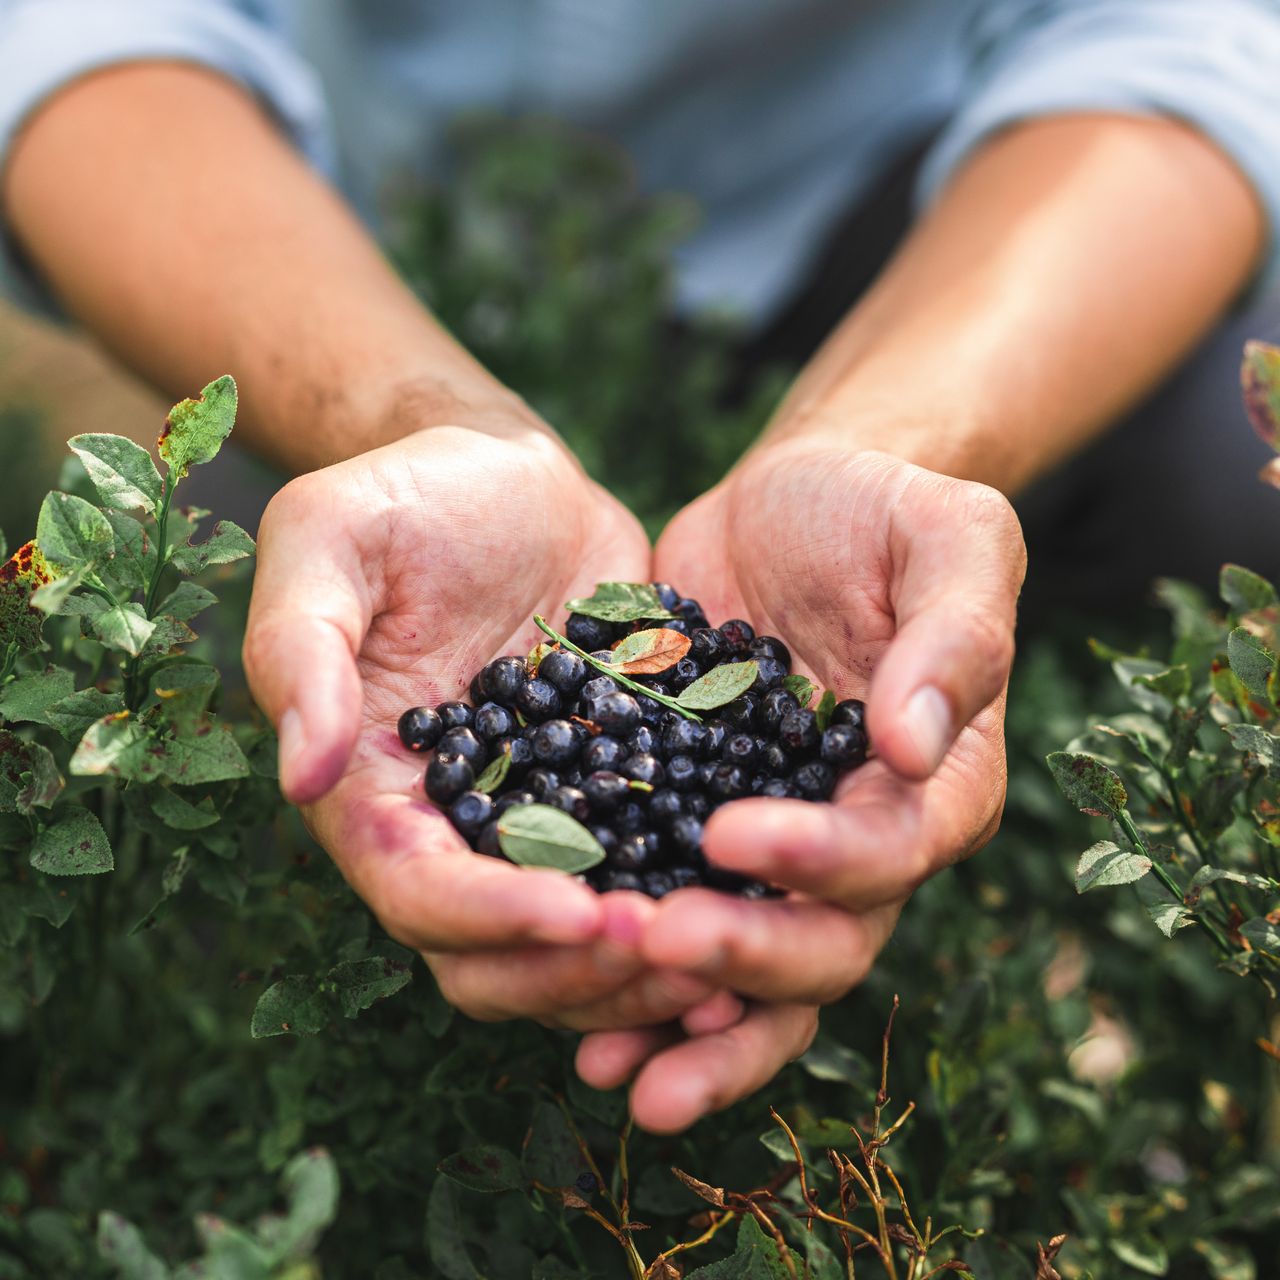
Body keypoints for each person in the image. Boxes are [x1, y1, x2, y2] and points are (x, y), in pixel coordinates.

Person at [1, 0, 1276, 1135]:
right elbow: (79, 31)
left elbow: (1175, 35)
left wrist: (880, 444)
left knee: (1227, 459)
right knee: (269, 677)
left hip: (908, 220)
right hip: (353, 256)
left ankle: (1104, 981)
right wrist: (404, 426)